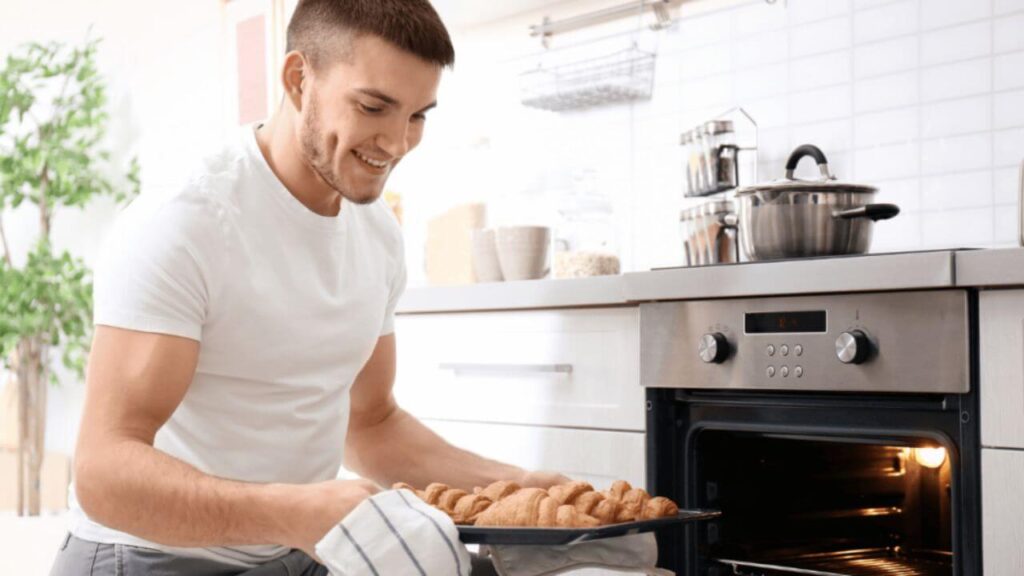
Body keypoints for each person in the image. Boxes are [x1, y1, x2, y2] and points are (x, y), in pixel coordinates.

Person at [49, 1, 566, 574]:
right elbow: (102, 473)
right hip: (147, 556)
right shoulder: (186, 223)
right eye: (374, 107)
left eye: (418, 116)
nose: (396, 143)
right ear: (299, 79)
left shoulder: (378, 235)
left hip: (292, 549)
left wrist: (519, 486)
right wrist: (293, 511)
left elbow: (370, 424)